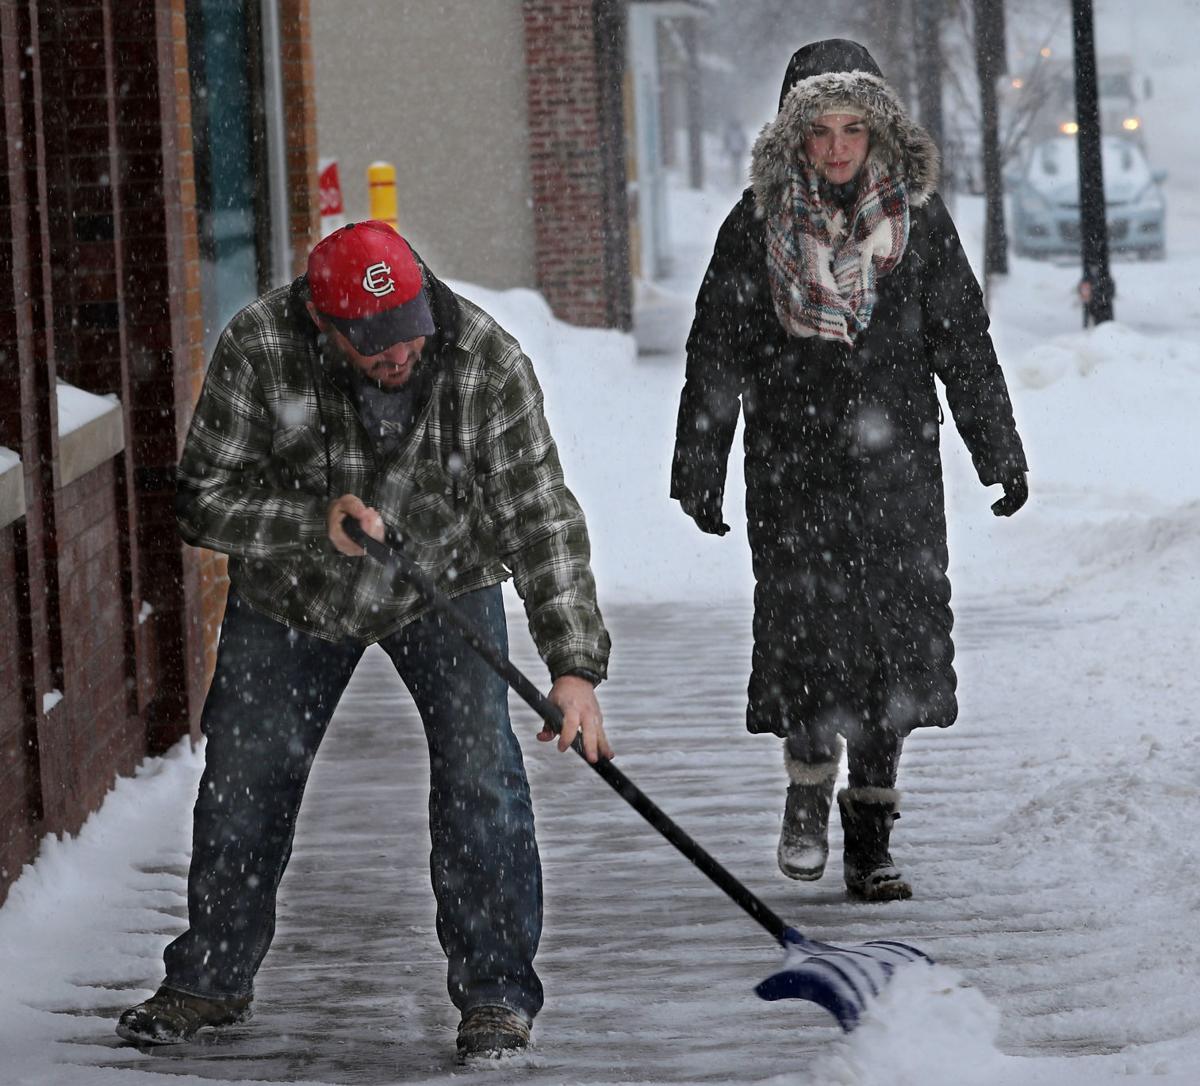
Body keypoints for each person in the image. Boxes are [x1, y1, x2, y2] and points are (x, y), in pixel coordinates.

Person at [116, 221, 613, 1058]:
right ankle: (209, 977)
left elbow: (538, 511)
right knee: (246, 775)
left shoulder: (484, 361)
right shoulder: (263, 348)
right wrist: (315, 524)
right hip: (294, 596)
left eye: (407, 328)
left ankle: (494, 993)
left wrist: (573, 665)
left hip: (443, 582)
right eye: (373, 342)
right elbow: (203, 499)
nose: (397, 354)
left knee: (480, 776)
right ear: (326, 326)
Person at [671, 40, 1027, 903]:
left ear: (880, 133)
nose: (837, 148)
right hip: (794, 471)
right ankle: (805, 789)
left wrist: (999, 451)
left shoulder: (921, 224)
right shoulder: (753, 228)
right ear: (793, 137)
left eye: (853, 129)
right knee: (806, 635)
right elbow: (716, 352)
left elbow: (964, 344)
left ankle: (870, 834)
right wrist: (700, 465)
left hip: (896, 471)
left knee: (893, 647)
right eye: (820, 130)